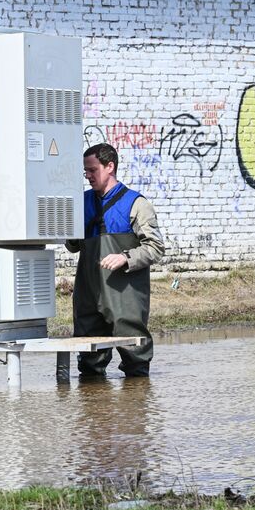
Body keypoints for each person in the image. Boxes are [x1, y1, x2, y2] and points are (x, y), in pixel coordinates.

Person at [65, 143, 166, 378]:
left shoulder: (136, 204)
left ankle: (136, 407)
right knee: (88, 360)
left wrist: (125, 257)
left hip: (125, 296)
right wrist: (67, 222)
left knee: (135, 363)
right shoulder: (81, 203)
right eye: (85, 172)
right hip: (88, 293)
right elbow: (72, 247)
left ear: (110, 166)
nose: (88, 176)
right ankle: (94, 411)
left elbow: (156, 248)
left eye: (93, 170)